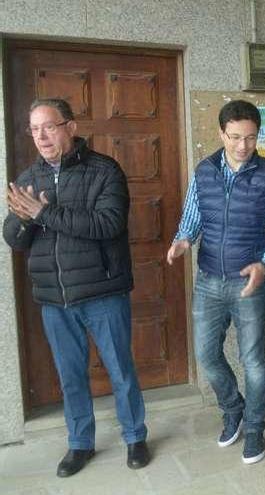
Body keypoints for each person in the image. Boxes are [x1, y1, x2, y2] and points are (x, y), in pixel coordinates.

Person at [4, 98, 150, 477]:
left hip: (102, 290)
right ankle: (80, 443)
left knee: (120, 370)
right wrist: (24, 220)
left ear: (70, 127)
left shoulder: (105, 171)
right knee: (70, 376)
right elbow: (14, 239)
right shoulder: (27, 179)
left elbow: (108, 224)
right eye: (34, 129)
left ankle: (135, 436)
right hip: (55, 299)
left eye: (48, 126)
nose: (41, 136)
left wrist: (42, 212)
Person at [166, 99, 265, 465]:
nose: (242, 146)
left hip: (249, 280)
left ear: (258, 135)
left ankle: (254, 427)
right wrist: (183, 239)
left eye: (250, 138)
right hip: (208, 279)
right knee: (206, 355)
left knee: (252, 358)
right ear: (221, 133)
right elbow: (192, 216)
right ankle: (233, 408)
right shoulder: (204, 171)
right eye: (235, 137)